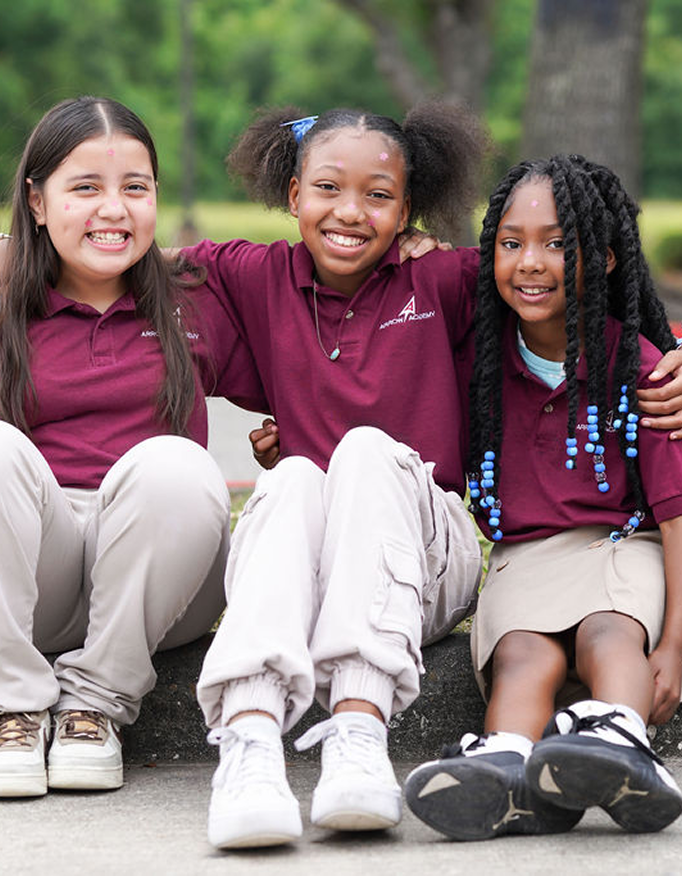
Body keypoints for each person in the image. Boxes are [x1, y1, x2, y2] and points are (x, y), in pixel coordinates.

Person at [183, 107, 682, 850]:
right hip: (350, 557)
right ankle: (254, 745)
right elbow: (131, 258)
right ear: (293, 195)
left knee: (365, 451)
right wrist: (20, 249)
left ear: (408, 208)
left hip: (437, 559)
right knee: (293, 479)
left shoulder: (447, 280)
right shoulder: (260, 277)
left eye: (379, 196)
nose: (351, 212)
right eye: (329, 188)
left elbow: (579, 290)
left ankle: (364, 733)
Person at [405, 155, 682, 841]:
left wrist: (677, 643)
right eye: (511, 242)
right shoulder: (477, 362)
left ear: (606, 259)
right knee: (522, 653)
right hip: (523, 554)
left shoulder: (640, 367)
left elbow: (676, 514)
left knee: (608, 632)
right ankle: (505, 768)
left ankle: (619, 741)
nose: (530, 262)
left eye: (558, 243)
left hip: (623, 545)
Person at [0, 96, 268, 798]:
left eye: (135, 188)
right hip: (38, 568)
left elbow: (322, 317)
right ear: (36, 201)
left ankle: (95, 708)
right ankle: (12, 709)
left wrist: (405, 254)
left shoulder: (196, 297)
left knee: (172, 461)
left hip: (165, 573)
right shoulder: (3, 297)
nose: (113, 210)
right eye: (86, 188)